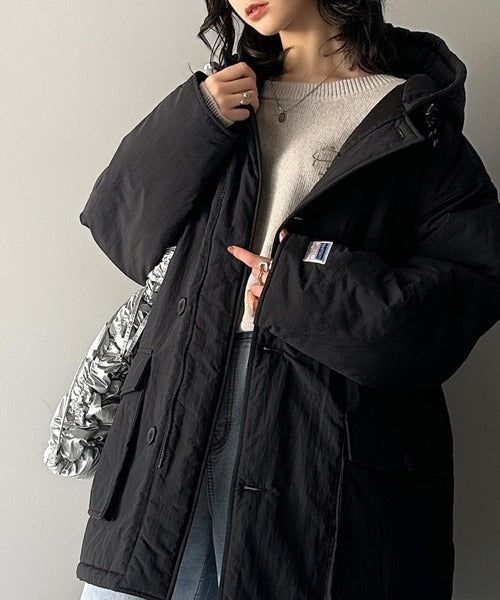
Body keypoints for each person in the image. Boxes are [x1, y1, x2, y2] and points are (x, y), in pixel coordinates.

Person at [78, 1, 500, 599]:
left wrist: (298, 285)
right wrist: (196, 118)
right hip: (178, 405)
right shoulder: (224, 99)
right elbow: (119, 229)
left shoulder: (413, 118)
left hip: (315, 429)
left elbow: (461, 294)